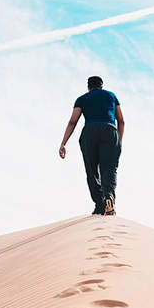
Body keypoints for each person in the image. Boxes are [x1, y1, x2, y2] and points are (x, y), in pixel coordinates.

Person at [59, 75, 124, 215]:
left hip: (89, 132)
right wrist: (119, 141)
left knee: (92, 171)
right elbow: (121, 120)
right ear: (102, 86)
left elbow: (72, 122)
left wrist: (63, 143)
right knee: (109, 168)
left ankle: (100, 204)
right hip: (110, 130)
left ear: (88, 87)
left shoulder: (82, 99)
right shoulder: (112, 96)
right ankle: (109, 197)